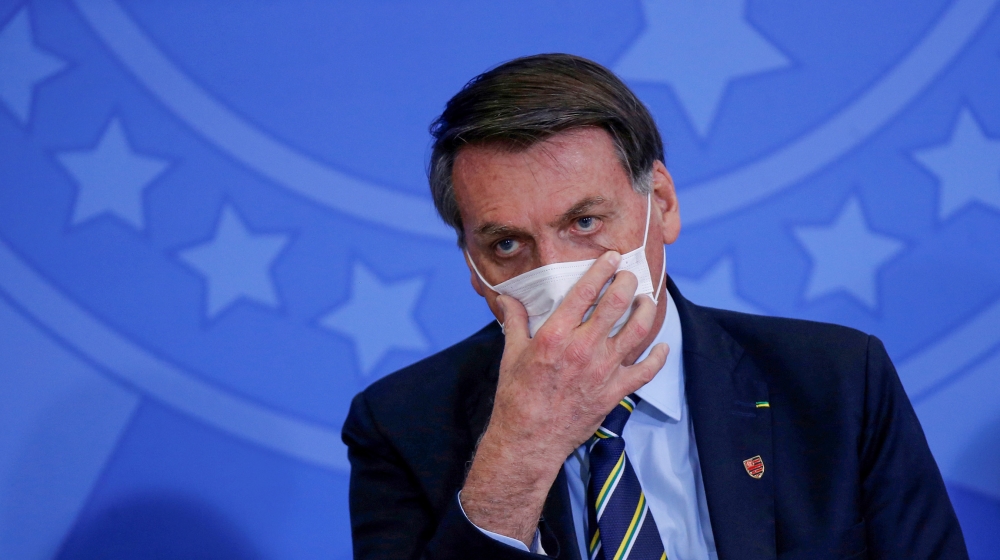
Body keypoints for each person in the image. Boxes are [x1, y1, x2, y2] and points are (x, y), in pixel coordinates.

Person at [341, 54, 968, 559]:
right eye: (506, 243)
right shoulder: (402, 425)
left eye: (584, 221)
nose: (555, 272)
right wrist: (522, 451)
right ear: (473, 267)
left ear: (661, 204)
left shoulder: (835, 381)